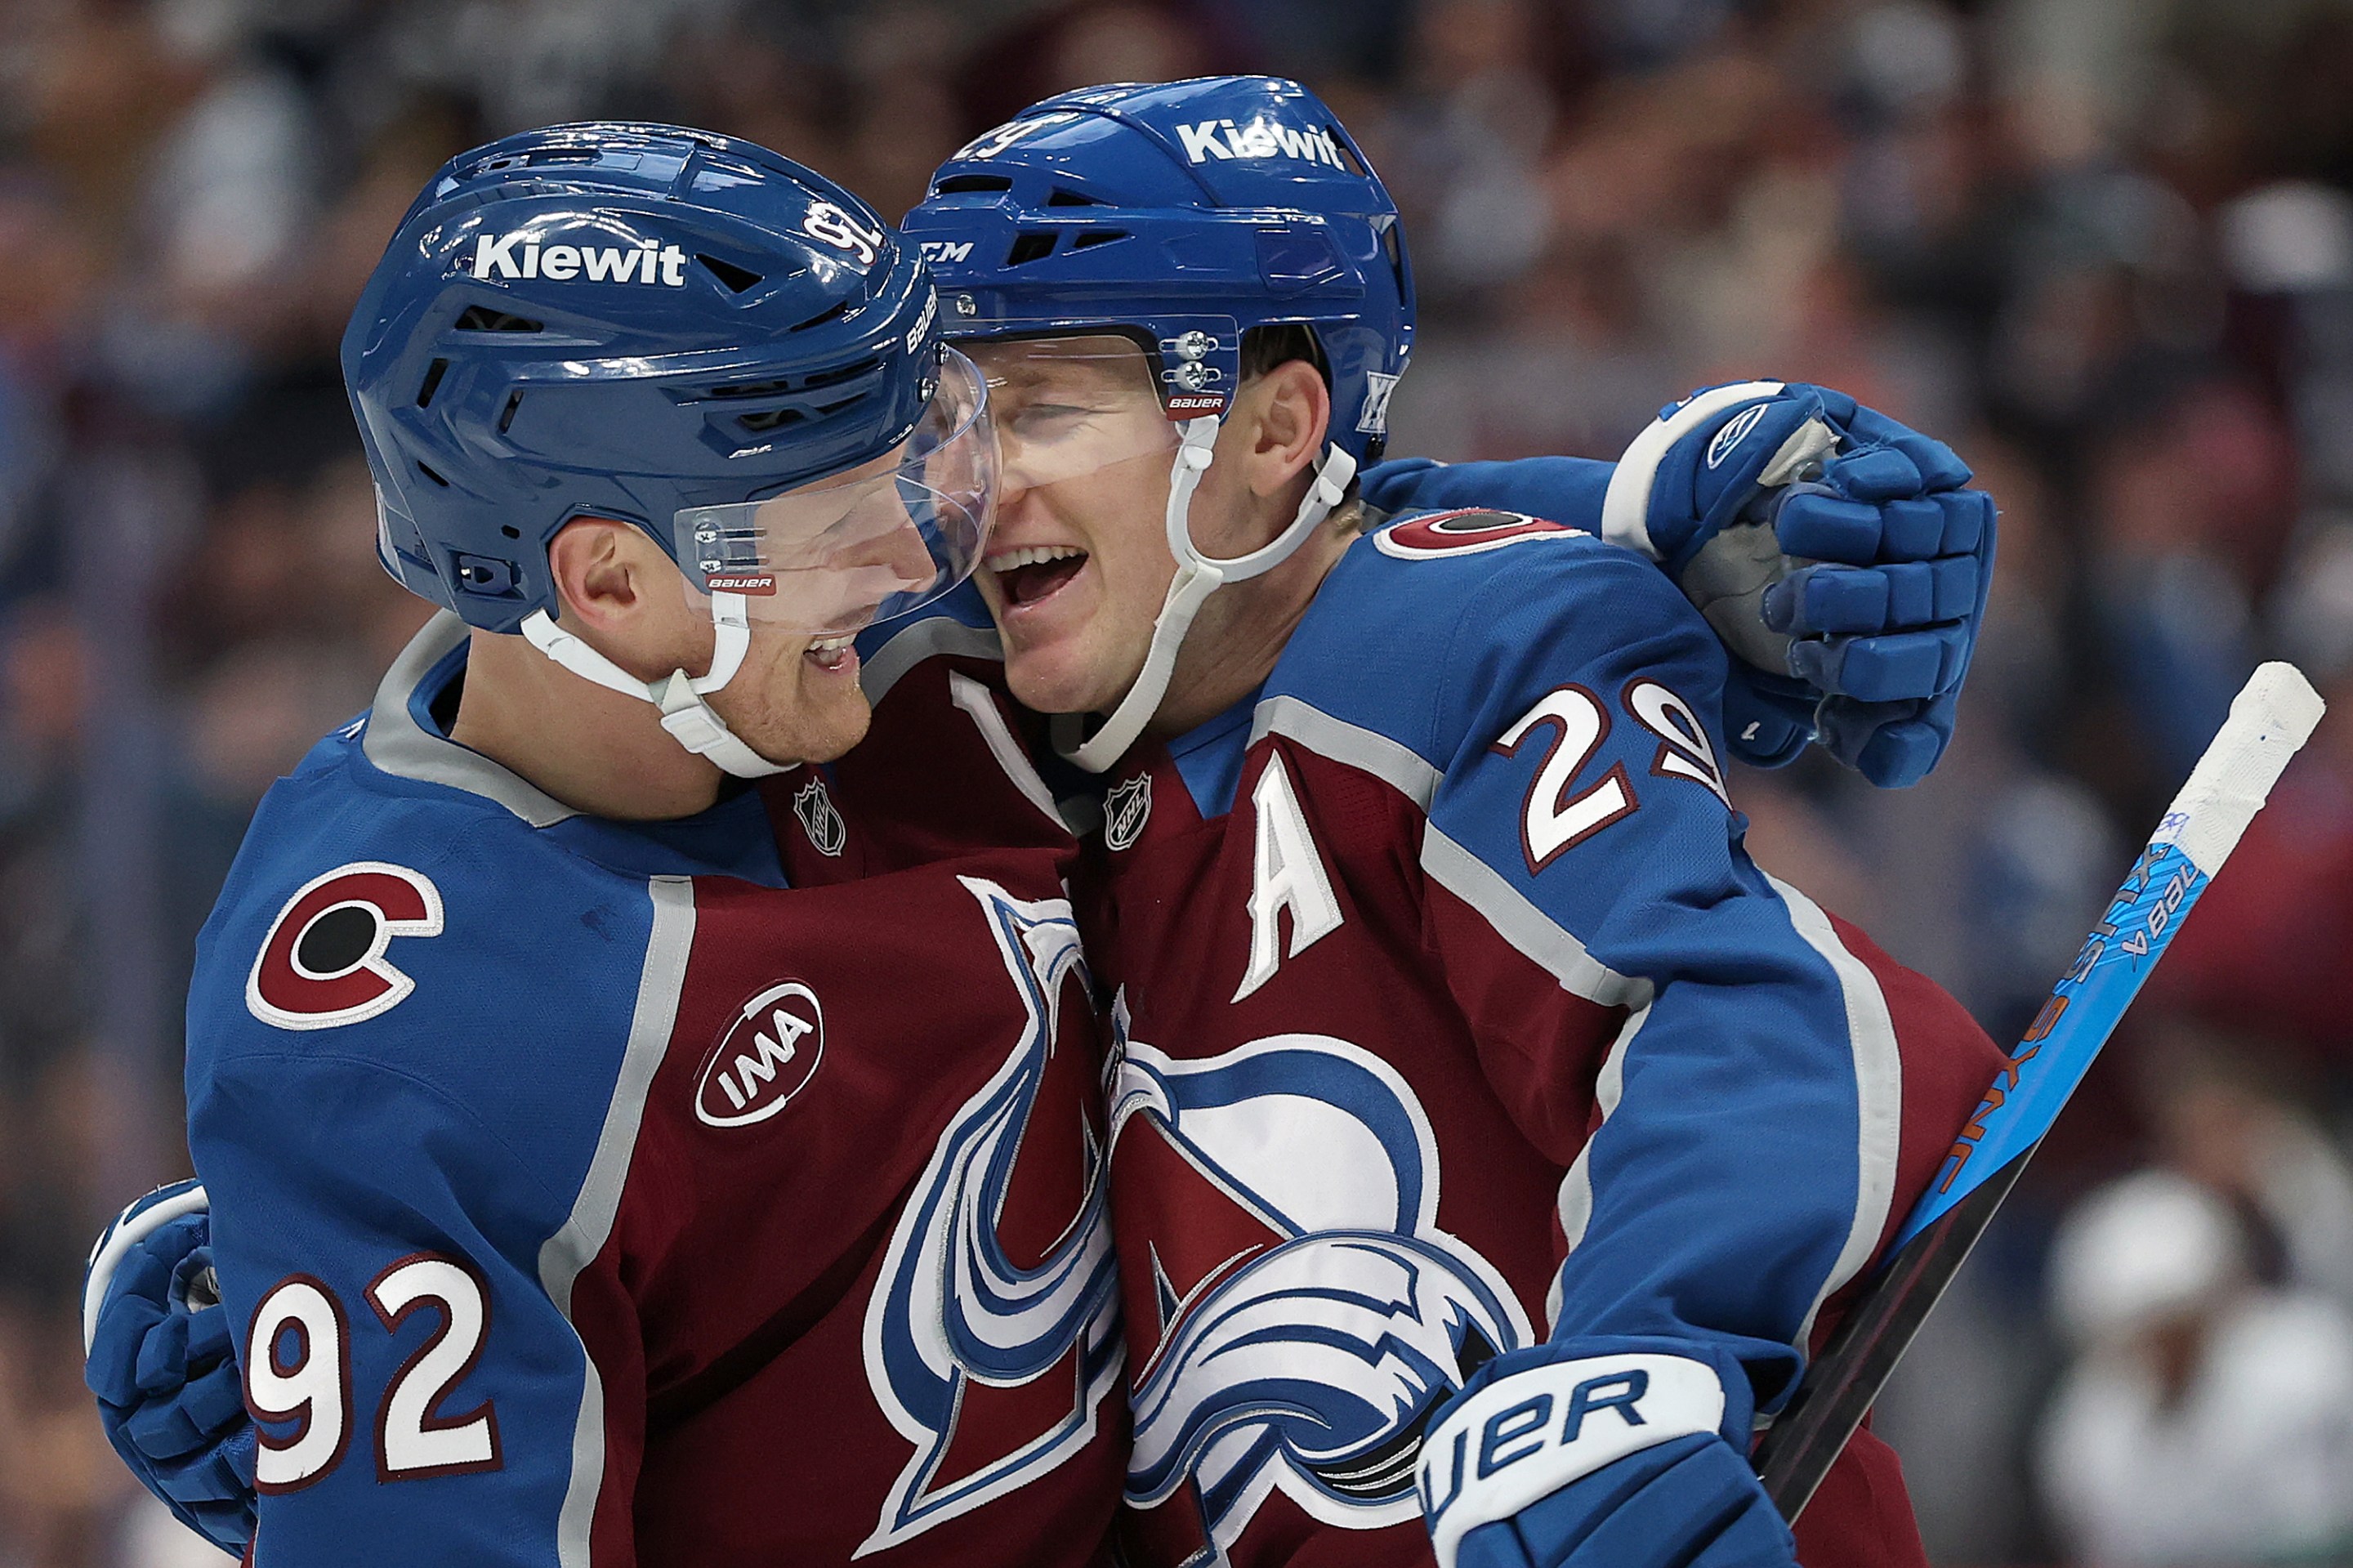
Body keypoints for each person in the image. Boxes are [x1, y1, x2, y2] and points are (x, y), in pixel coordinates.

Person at [93, 83, 2003, 1568]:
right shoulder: (890, 732)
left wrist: (1637, 520)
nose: (937, 509)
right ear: (605, 583)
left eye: (1018, 408)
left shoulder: (1227, 665)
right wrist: (330, 1307)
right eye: (927, 424)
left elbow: (1701, 991)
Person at [891, 75, 2006, 1568]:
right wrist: (1614, 496)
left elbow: (1748, 1012)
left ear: (1279, 423)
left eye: (1043, 403)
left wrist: (1646, 1358)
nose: (980, 477)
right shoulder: (1015, 725)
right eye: (956, 412)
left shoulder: (1446, 642)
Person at [83, 122, 1134, 1566]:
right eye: (838, 516)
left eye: (907, 469)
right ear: (612, 579)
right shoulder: (396, 1047)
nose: (912, 559)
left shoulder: (889, 671)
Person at [2038, 1168, 2353, 1566]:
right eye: (2140, 1332)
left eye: (2177, 1323)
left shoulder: (2309, 1360)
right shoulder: (2085, 1433)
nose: (2161, 1347)